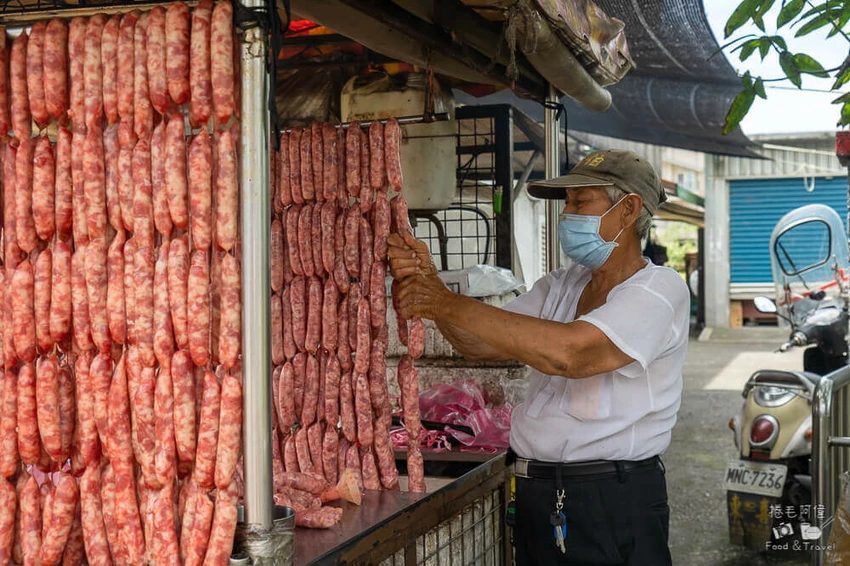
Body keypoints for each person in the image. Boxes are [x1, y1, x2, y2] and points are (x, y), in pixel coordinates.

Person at [387, 149, 689, 566]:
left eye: (580, 202)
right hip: (538, 491)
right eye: (566, 203)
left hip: (612, 498)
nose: (567, 214)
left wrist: (442, 303)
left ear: (629, 210)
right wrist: (430, 283)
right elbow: (477, 344)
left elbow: (572, 354)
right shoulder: (562, 285)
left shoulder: (658, 290)